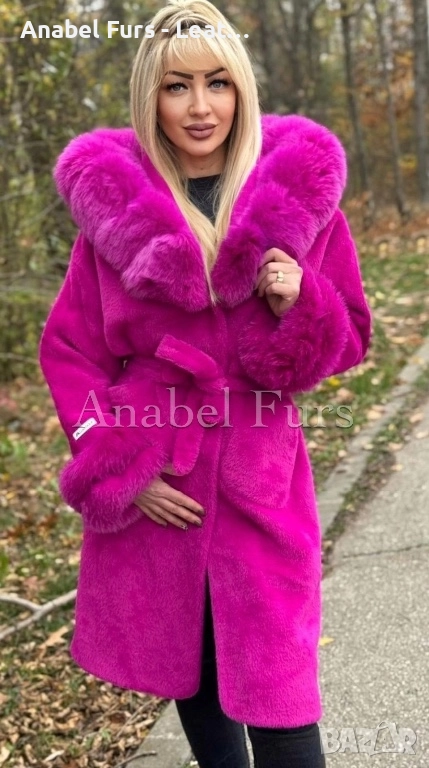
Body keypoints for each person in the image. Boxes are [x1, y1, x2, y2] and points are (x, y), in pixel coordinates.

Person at [38, 1, 372, 766]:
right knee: (193, 673)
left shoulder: (298, 201)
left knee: (281, 694)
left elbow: (350, 335)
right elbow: (69, 352)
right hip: (165, 476)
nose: (199, 107)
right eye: (176, 86)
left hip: (262, 479)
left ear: (240, 90)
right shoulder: (113, 214)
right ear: (149, 96)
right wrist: (123, 467)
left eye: (217, 83)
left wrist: (303, 303)